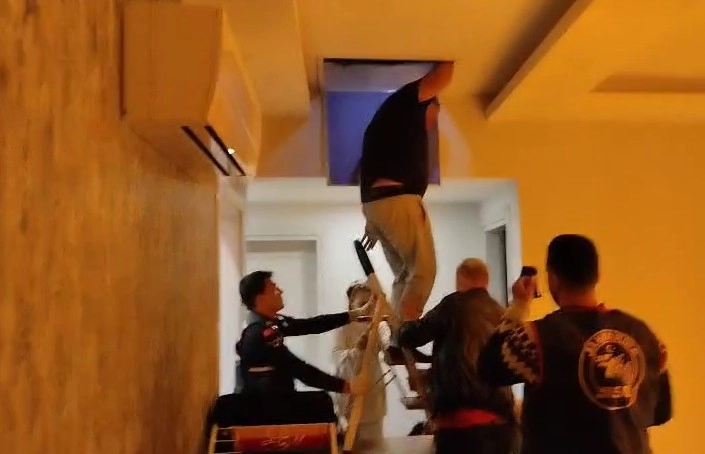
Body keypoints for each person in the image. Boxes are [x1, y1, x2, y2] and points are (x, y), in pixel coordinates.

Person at [478, 234, 672, 454]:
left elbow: (488, 367)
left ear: (554, 279)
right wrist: (660, 371)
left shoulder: (536, 338)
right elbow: (660, 413)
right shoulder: (640, 334)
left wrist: (519, 305)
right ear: (597, 276)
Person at [358, 62, 454, 328]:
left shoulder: (387, 123)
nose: (432, 125)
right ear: (428, 102)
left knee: (405, 273)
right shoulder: (406, 101)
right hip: (396, 200)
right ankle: (407, 334)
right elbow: (444, 75)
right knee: (423, 271)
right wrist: (454, 48)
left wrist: (374, 222)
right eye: (435, 115)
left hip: (380, 203)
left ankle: (399, 334)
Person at [397, 258, 518, 454]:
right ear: (486, 281)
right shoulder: (501, 312)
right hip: (500, 423)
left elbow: (410, 337)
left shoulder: (453, 305)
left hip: (459, 423)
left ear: (460, 279)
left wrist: (406, 321)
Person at [236, 270, 370, 395]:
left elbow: (312, 325)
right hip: (264, 406)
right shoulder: (261, 331)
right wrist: (346, 386)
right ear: (261, 298)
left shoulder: (270, 322)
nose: (280, 291)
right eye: (274, 288)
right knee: (322, 403)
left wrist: (356, 314)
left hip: (275, 399)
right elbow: (298, 368)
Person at [333, 281, 392, 448]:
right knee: (348, 446)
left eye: (371, 304)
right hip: (348, 397)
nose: (367, 309)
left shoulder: (379, 325)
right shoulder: (343, 328)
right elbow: (338, 359)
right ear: (352, 305)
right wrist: (358, 349)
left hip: (372, 397)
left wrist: (387, 320)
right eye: (362, 304)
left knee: (374, 447)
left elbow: (389, 344)